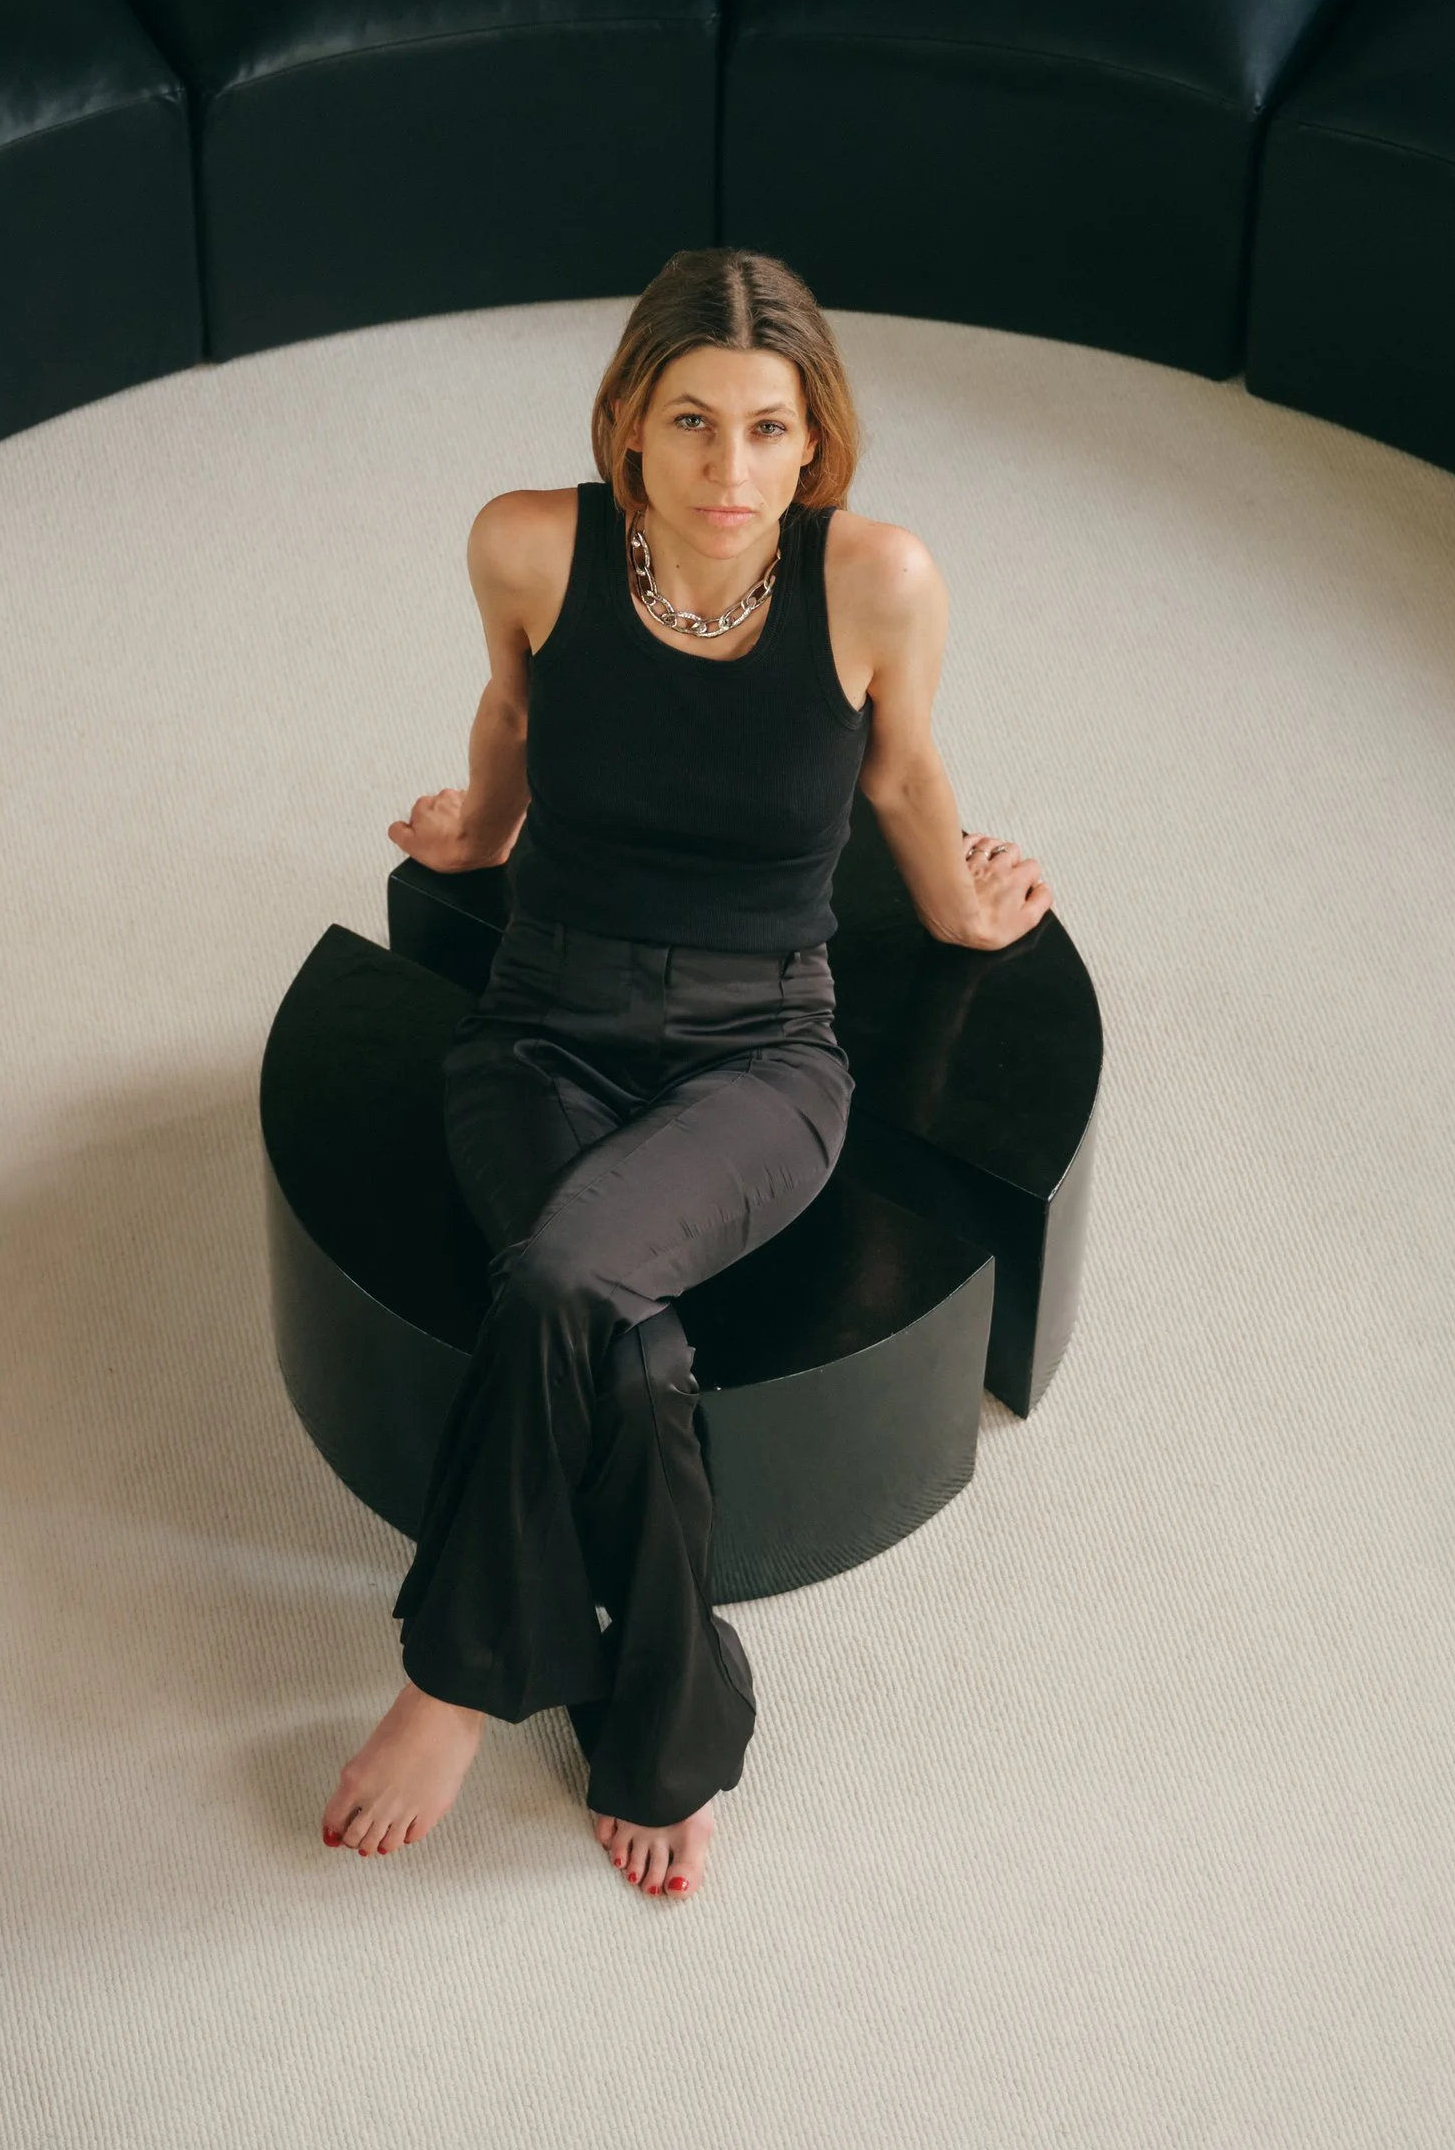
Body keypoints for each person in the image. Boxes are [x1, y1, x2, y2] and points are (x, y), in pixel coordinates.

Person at [318, 246, 1052, 1900]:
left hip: (761, 1052)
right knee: (634, 1360)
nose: (732, 469)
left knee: (565, 1276)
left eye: (770, 430)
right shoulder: (530, 544)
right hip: (542, 1028)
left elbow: (904, 775)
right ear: (629, 427)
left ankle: (452, 1681)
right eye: (694, 423)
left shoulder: (877, 580)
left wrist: (960, 907)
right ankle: (670, 1734)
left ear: (816, 442)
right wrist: (475, 834)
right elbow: (512, 720)